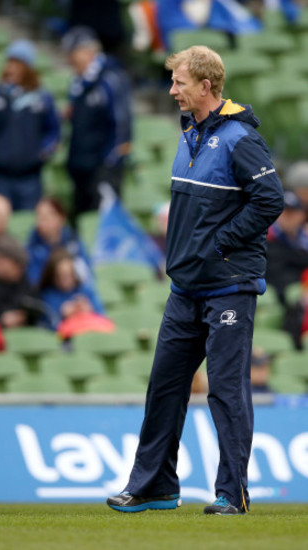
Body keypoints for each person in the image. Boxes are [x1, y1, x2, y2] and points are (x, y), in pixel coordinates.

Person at [106, 46, 283, 516]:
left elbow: (269, 200)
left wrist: (220, 243)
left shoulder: (240, 138)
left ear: (206, 86)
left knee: (226, 392)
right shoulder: (191, 132)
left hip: (229, 284)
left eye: (179, 83)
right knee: (164, 387)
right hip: (186, 287)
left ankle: (232, 492)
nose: (172, 90)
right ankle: (155, 485)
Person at [0, 39, 60, 210]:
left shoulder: (42, 98)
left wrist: (43, 152)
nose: (11, 68)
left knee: (26, 225)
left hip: (30, 177)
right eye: (10, 62)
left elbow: (54, 132)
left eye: (18, 63)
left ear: (28, 68)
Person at [61, 26, 133, 222]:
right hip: (81, 167)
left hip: (102, 169)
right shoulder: (78, 82)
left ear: (88, 51)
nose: (69, 59)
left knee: (102, 224)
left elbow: (122, 124)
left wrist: (109, 164)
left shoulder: (110, 79)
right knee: (82, 221)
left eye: (72, 53)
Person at [26, 196, 95, 289]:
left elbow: (87, 273)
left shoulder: (74, 242)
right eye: (39, 217)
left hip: (77, 293)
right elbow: (34, 281)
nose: (41, 222)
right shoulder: (32, 249)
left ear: (61, 218)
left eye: (46, 217)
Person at [0, 234, 42, 328]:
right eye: (16, 265)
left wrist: (24, 316)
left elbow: (35, 305)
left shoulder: (22, 280)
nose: (21, 270)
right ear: (1, 260)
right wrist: (0, 320)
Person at [38, 248, 106, 333]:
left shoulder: (85, 290)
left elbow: (103, 317)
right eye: (61, 276)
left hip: (90, 335)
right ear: (53, 275)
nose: (66, 280)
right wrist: (61, 314)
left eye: (69, 274)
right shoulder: (47, 295)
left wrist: (89, 310)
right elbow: (44, 327)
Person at [266, 190, 308, 304]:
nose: (286, 216)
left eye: (292, 212)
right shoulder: (267, 236)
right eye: (283, 211)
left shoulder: (303, 238)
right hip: (276, 292)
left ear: (302, 215)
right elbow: (275, 273)